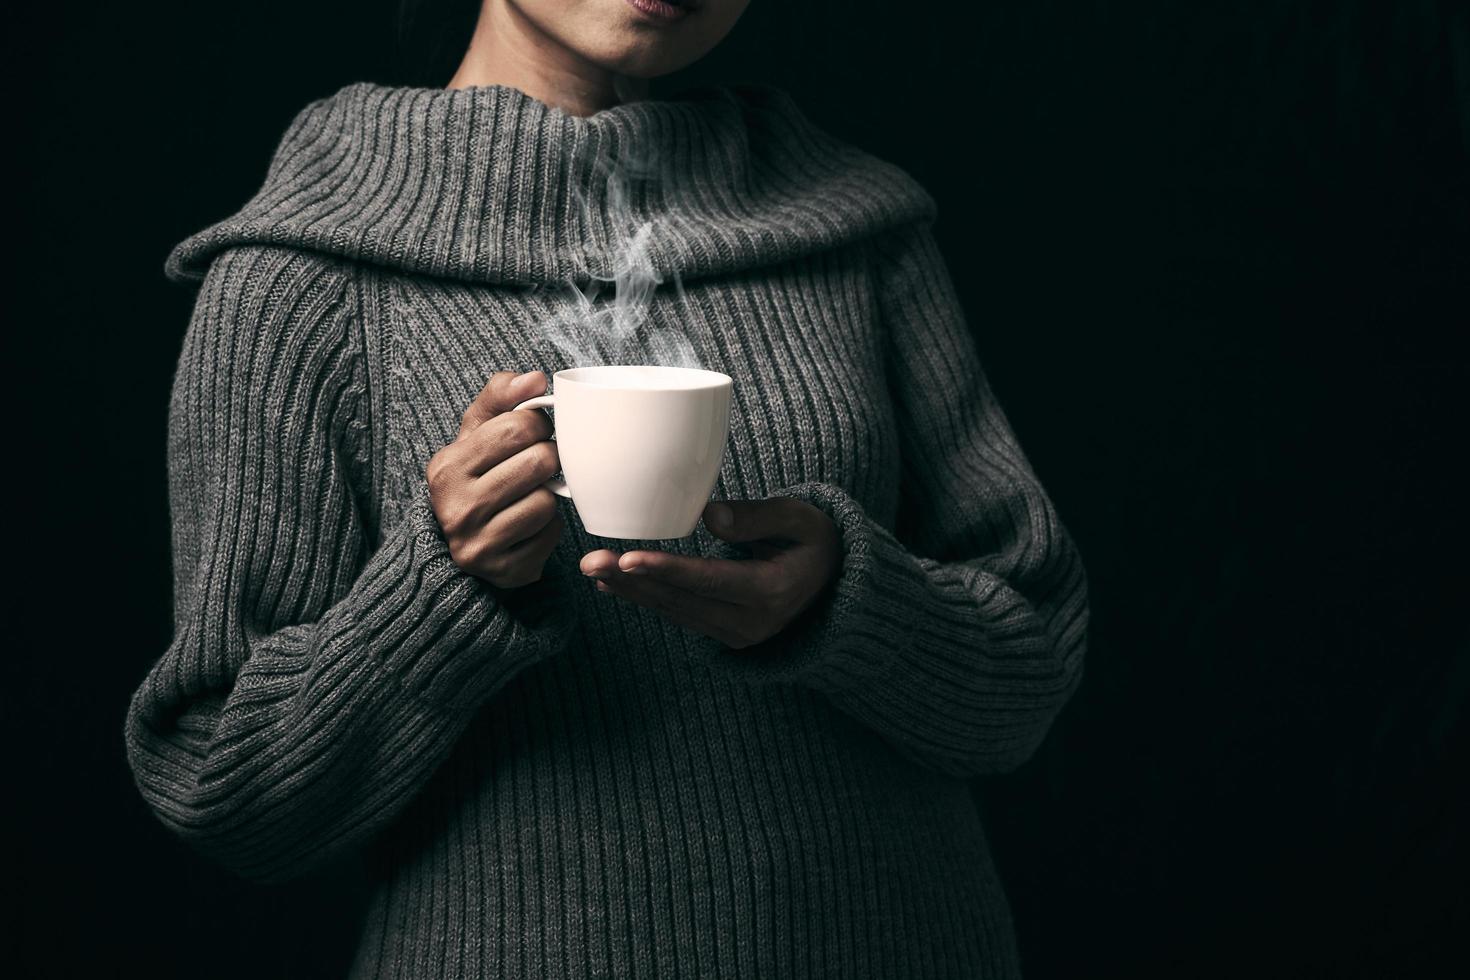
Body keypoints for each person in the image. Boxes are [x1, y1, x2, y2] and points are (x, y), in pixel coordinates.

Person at [123, 0, 1091, 976]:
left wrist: (842, 598)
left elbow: (1032, 670)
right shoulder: (299, 271)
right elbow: (230, 792)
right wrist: (441, 592)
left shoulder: (854, 225)